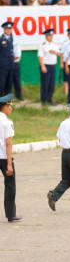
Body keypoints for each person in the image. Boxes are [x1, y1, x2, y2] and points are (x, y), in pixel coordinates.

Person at [0, 94, 22, 222]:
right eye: (10, 106)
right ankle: (10, 214)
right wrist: (9, 164)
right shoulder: (7, 123)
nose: (11, 109)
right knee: (10, 186)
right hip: (3, 157)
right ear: (5, 107)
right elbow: (8, 143)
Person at [38, 28, 60, 105]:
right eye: (49, 35)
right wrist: (42, 66)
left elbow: (58, 53)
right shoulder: (43, 44)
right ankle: (43, 101)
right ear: (46, 36)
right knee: (45, 84)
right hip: (45, 66)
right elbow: (40, 56)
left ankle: (49, 99)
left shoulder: (54, 44)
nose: (50, 37)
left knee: (51, 84)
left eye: (51, 35)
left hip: (52, 66)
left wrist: (57, 53)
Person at [0, 21, 15, 97]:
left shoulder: (11, 39)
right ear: (4, 29)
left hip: (10, 66)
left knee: (9, 86)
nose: (9, 30)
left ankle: (7, 104)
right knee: (1, 85)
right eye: (7, 29)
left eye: (10, 29)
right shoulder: (1, 40)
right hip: (2, 67)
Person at [60, 28, 70, 97]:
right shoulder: (65, 43)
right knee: (66, 79)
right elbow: (62, 53)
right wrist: (61, 63)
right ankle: (67, 94)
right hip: (66, 63)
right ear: (68, 35)